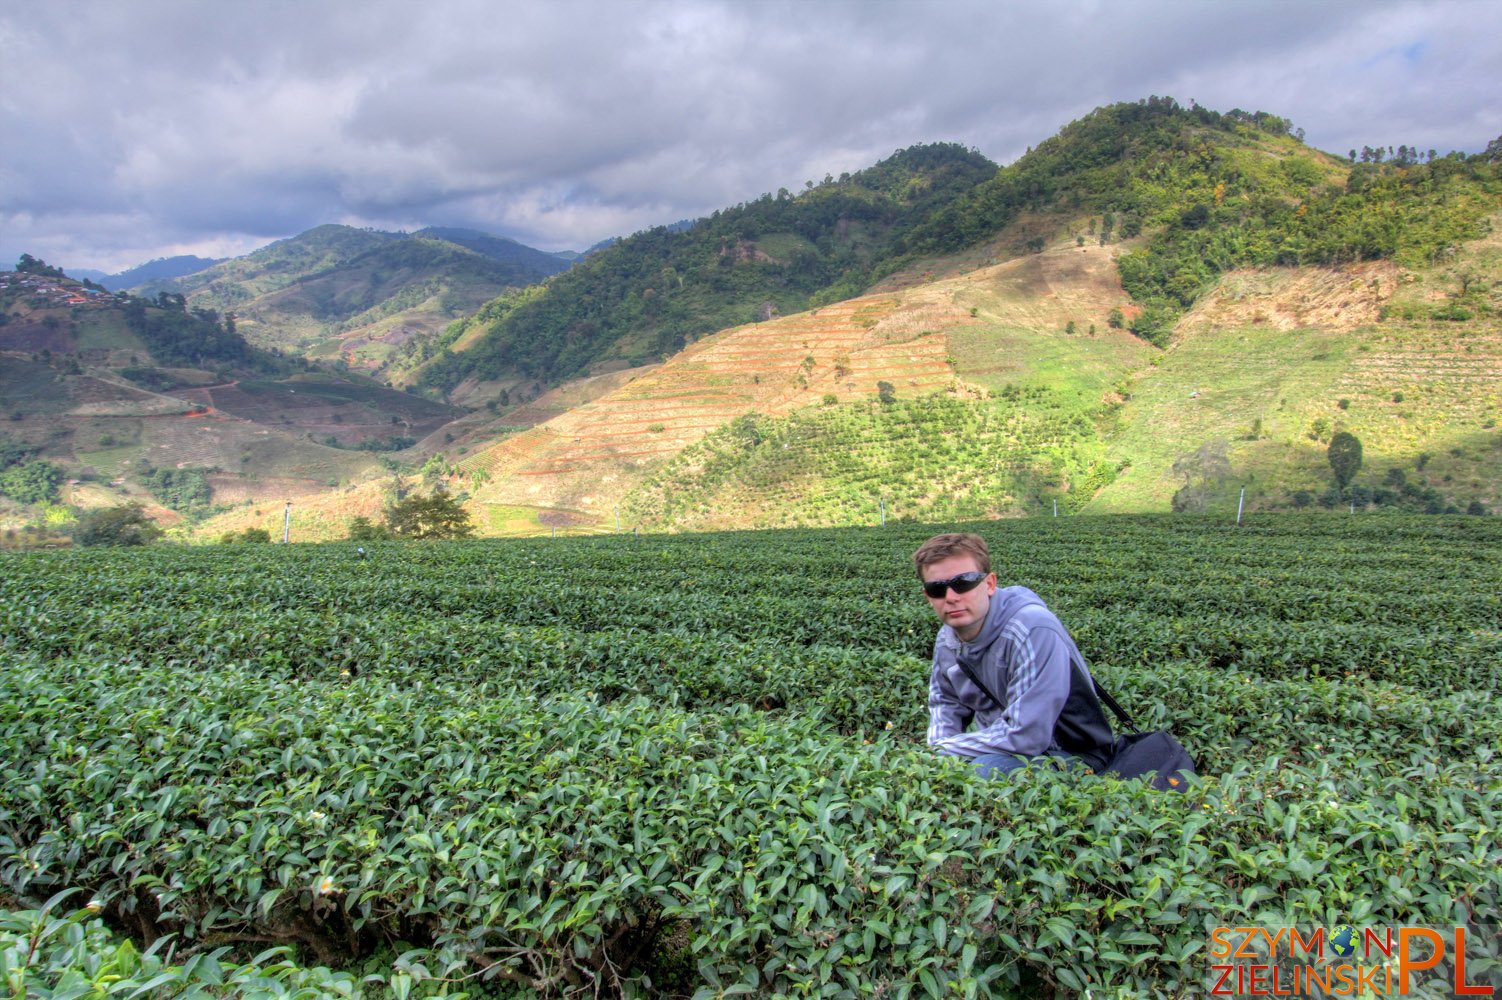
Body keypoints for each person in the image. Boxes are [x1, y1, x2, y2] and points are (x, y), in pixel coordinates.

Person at [914, 532, 1116, 778]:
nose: (951, 597)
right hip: (1001, 750)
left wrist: (944, 750)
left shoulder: (1033, 628)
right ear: (928, 596)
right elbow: (946, 702)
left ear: (989, 584)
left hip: (1072, 753)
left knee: (985, 773)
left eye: (963, 582)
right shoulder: (948, 638)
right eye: (937, 589)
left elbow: (1026, 736)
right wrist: (935, 757)